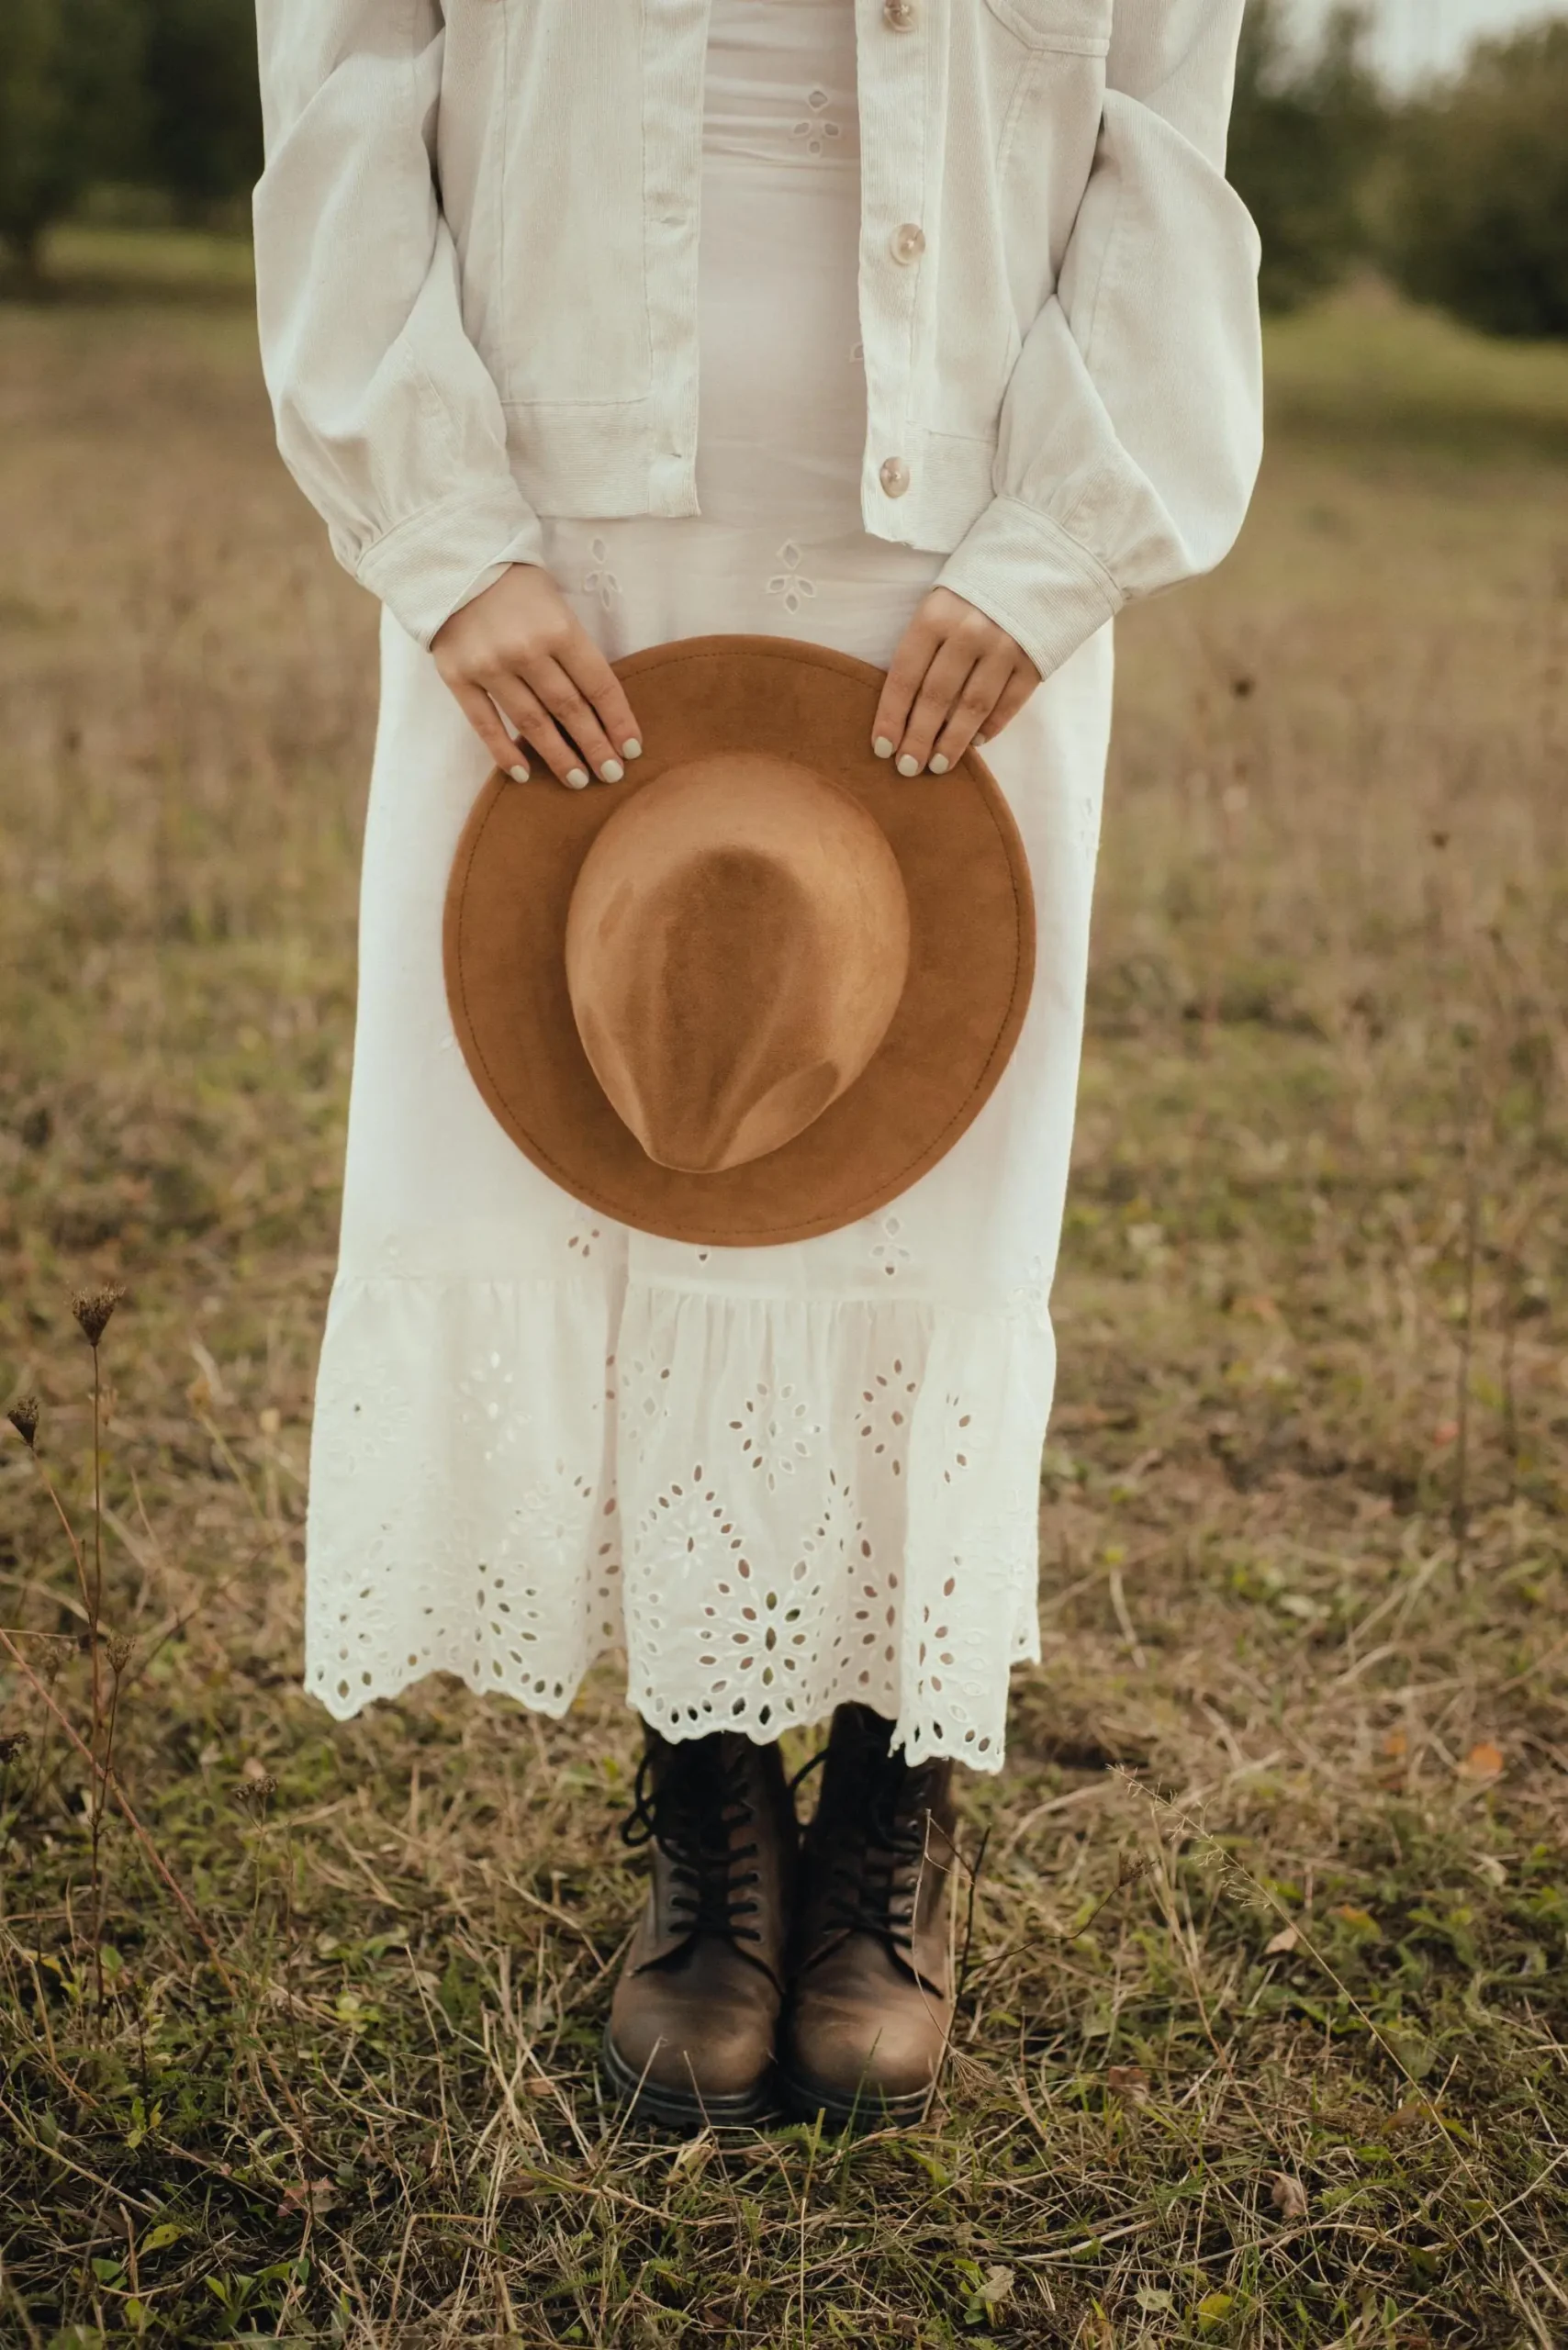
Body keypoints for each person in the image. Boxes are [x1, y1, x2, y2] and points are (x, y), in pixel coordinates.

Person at [252, 0, 1261, 2130]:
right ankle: (705, 1792)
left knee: (913, 1180)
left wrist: (1056, 543)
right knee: (634, 1137)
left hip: (962, 556)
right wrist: (441, 533)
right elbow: (342, 80)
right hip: (554, 551)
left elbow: (1161, 139)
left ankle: (891, 1797)